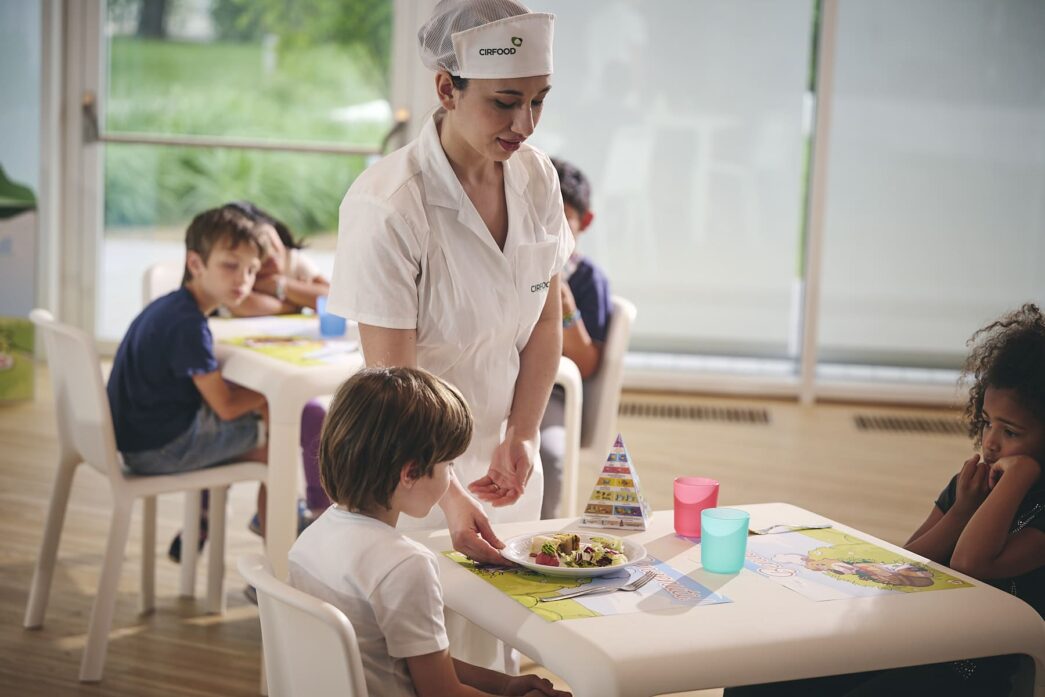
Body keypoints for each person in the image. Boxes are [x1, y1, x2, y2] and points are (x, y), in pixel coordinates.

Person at [327, 1, 572, 560]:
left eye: (538, 100)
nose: (525, 124)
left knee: (498, 643)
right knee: (428, 641)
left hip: (505, 468)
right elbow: (395, 386)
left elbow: (545, 318)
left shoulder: (537, 179)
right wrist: (450, 492)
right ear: (446, 89)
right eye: (505, 103)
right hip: (414, 477)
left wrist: (525, 432)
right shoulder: (388, 205)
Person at [725, 304, 1045, 696]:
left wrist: (1022, 476)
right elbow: (904, 564)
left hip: (971, 673)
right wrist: (960, 510)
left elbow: (971, 562)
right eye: (987, 423)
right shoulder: (972, 486)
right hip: (913, 643)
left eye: (1010, 431)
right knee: (759, 682)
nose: (991, 442)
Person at [288, 367, 570, 697]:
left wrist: (505, 684)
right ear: (410, 473)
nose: (451, 478)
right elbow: (442, 692)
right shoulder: (405, 565)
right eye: (449, 466)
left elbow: (421, 660)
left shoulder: (311, 537)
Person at [107, 206, 270, 557]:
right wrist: (267, 394)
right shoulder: (188, 326)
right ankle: (279, 561)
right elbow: (225, 408)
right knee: (276, 443)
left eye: (252, 270)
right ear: (196, 264)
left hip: (139, 440)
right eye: (230, 265)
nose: (243, 279)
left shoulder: (172, 308)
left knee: (259, 423)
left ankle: (205, 517)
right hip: (158, 450)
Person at [219, 201, 333, 524]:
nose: (269, 256)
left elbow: (331, 297)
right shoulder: (240, 274)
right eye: (259, 250)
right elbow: (245, 306)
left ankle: (315, 510)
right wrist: (294, 300)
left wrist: (281, 287)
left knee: (313, 417)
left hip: (280, 374)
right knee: (294, 422)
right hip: (236, 384)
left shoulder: (294, 263)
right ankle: (210, 517)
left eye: (273, 243)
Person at [539, 158, 612, 519]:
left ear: (585, 222)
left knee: (550, 456)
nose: (550, 232)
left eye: (562, 220)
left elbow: (586, 365)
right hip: (494, 384)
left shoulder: (587, 281)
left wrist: (565, 309)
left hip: (553, 394)